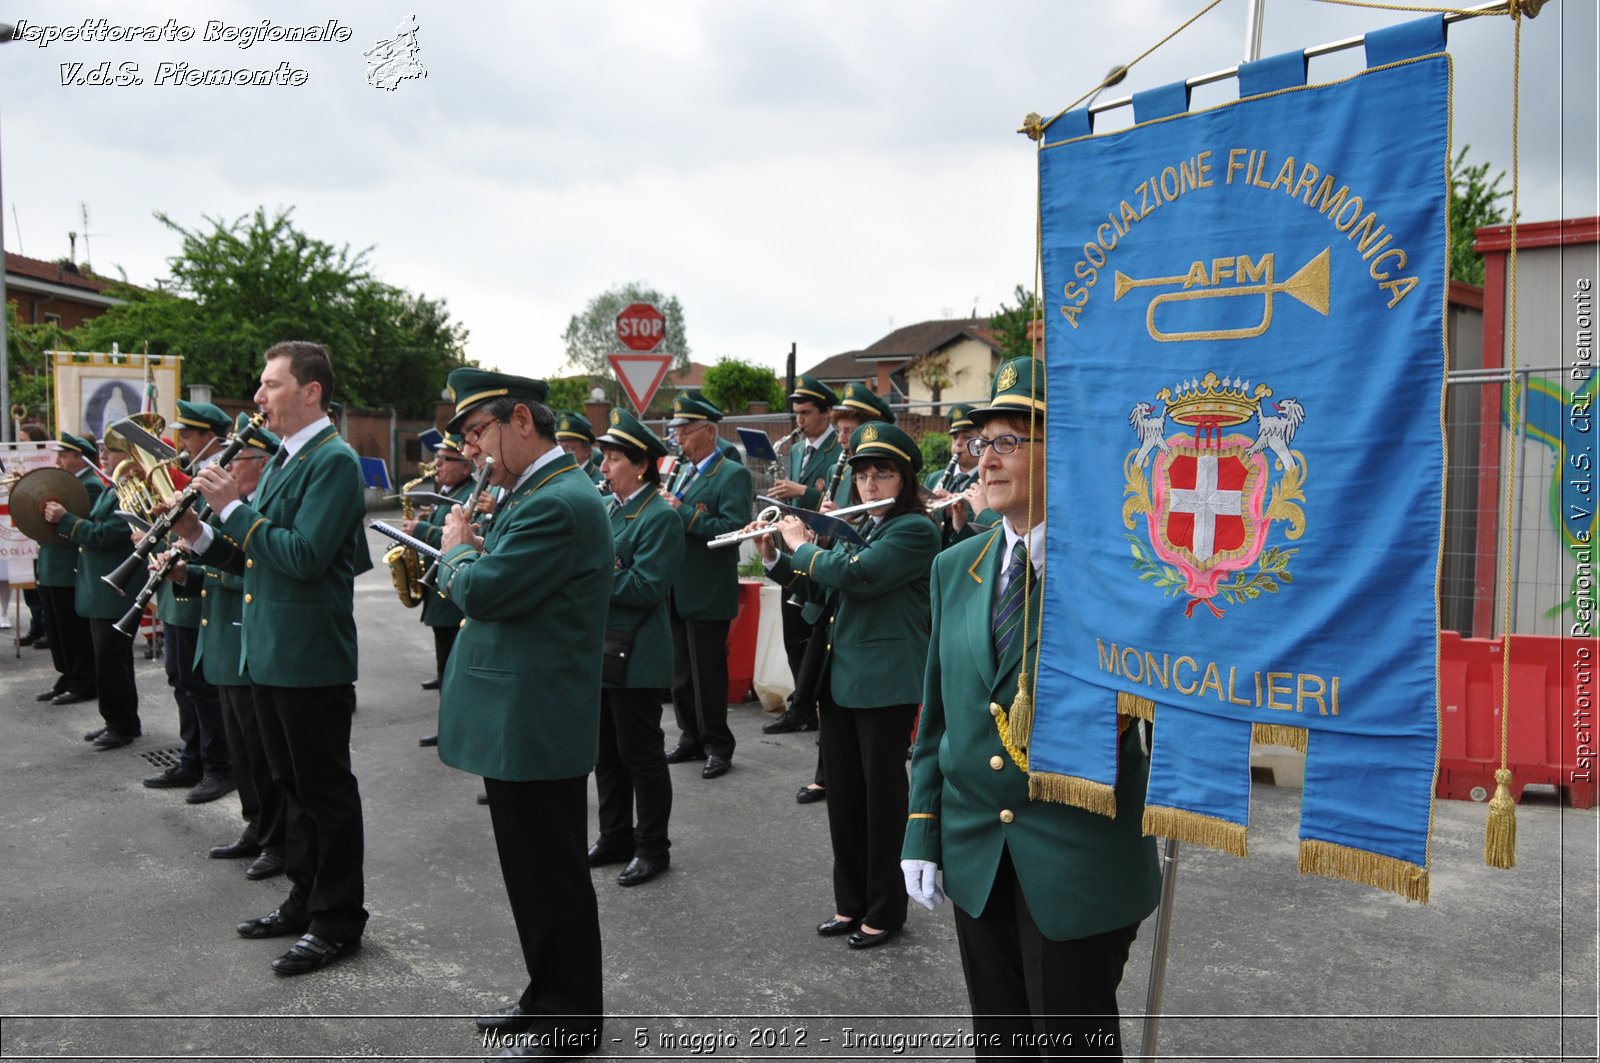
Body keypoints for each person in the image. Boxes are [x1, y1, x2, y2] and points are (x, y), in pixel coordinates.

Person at [901, 357, 1160, 1058]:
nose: (986, 458)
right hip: (979, 854)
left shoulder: (1122, 567)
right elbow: (940, 719)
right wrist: (922, 830)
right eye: (981, 442)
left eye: (1009, 440)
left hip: (1077, 860)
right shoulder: (956, 566)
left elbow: (1160, 700)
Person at [176, 341, 373, 978]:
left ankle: (338, 919)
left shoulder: (334, 460)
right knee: (290, 789)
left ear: (311, 391)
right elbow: (256, 559)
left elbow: (304, 556)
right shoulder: (290, 458)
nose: (258, 398)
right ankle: (303, 898)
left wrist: (233, 507)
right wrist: (201, 535)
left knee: (324, 792)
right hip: (269, 653)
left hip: (309, 657)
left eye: (271, 385)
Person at [434, 368, 609, 1057]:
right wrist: (474, 550)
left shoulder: (553, 501)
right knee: (533, 873)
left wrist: (454, 553)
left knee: (551, 874)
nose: (473, 449)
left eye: (479, 432)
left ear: (522, 422)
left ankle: (571, 1018)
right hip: (526, 713)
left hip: (535, 716)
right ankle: (546, 995)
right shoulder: (536, 491)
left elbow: (487, 591)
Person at [759, 422, 939, 950]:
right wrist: (775, 552)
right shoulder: (860, 525)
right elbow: (820, 588)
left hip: (885, 684)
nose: (870, 485)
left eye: (883, 474)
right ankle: (850, 903)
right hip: (840, 681)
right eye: (862, 475)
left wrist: (803, 543)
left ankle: (885, 909)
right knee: (843, 799)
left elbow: (859, 575)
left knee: (883, 802)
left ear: (904, 479)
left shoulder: (914, 529)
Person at [168, 416, 287, 881]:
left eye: (234, 460)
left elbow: (252, 573)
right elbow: (218, 570)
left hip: (245, 639)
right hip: (220, 638)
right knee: (242, 750)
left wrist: (203, 561)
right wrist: (183, 573)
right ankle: (256, 826)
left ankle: (275, 839)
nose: (226, 467)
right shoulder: (228, 511)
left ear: (259, 463)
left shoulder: (257, 514)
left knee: (262, 755)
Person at [586, 407, 684, 888]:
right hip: (602, 646)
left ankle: (652, 846)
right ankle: (615, 835)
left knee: (640, 753)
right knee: (605, 750)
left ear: (641, 464)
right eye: (603, 458)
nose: (603, 468)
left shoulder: (659, 516)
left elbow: (647, 587)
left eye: (613, 459)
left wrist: (592, 574)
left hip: (638, 651)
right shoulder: (609, 508)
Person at [789, 381, 896, 804]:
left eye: (853, 430)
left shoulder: (903, 517)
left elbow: (858, 567)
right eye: (845, 430)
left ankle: (829, 774)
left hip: (870, 638)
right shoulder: (849, 474)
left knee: (875, 784)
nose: (846, 439)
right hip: (832, 608)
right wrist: (787, 553)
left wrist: (806, 543)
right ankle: (826, 770)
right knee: (825, 700)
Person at [143, 400, 236, 803]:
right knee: (182, 681)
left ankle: (218, 766)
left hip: (204, 593)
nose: (181, 441)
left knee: (202, 686)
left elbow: (214, 537)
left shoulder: (215, 476)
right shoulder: (194, 476)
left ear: (208, 437)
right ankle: (193, 757)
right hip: (184, 589)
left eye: (189, 434)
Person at [661, 392, 752, 781]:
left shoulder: (732, 474)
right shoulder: (683, 470)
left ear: (710, 431)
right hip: (676, 584)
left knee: (708, 672)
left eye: (685, 430)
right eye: (676, 430)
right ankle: (691, 736)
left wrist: (679, 512)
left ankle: (718, 744)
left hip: (708, 586)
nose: (678, 437)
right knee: (681, 671)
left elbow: (732, 530)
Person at [47, 436, 140, 749]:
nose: (103, 456)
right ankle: (122, 720)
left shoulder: (130, 490)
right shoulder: (114, 487)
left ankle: (120, 724)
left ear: (129, 454)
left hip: (113, 590)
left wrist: (66, 520)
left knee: (110, 660)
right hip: (101, 586)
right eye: (102, 449)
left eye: (111, 450)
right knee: (113, 659)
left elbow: (106, 534)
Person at [762, 373, 841, 736]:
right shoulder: (794, 450)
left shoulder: (838, 451)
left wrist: (802, 491)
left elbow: (835, 505)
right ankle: (802, 704)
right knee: (792, 632)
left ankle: (812, 707)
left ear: (827, 413)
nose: (800, 420)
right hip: (793, 545)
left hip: (820, 547)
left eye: (807, 413)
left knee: (814, 635)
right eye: (796, 413)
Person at [402, 432, 474, 746]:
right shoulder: (450, 489)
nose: (437, 464)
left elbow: (459, 537)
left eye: (445, 459)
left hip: (453, 597)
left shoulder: (470, 492)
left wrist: (422, 530)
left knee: (455, 672)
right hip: (440, 592)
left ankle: (455, 731)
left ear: (465, 466)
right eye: (438, 457)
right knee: (446, 667)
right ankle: (450, 728)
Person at [33, 433, 101, 708]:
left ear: (79, 456)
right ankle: (67, 675)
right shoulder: (69, 482)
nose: (58, 460)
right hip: (52, 565)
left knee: (73, 631)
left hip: (68, 567)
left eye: (64, 454)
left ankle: (82, 680)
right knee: (57, 629)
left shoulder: (91, 485)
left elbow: (80, 523)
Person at [925, 402, 985, 549]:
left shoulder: (987, 480)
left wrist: (956, 511)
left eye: (966, 437)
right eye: (955, 437)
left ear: (980, 442)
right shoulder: (934, 478)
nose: (958, 443)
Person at [555, 410, 605, 485]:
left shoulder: (601, 479)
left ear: (587, 451)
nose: (564, 454)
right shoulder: (555, 476)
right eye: (561, 449)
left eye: (570, 450)